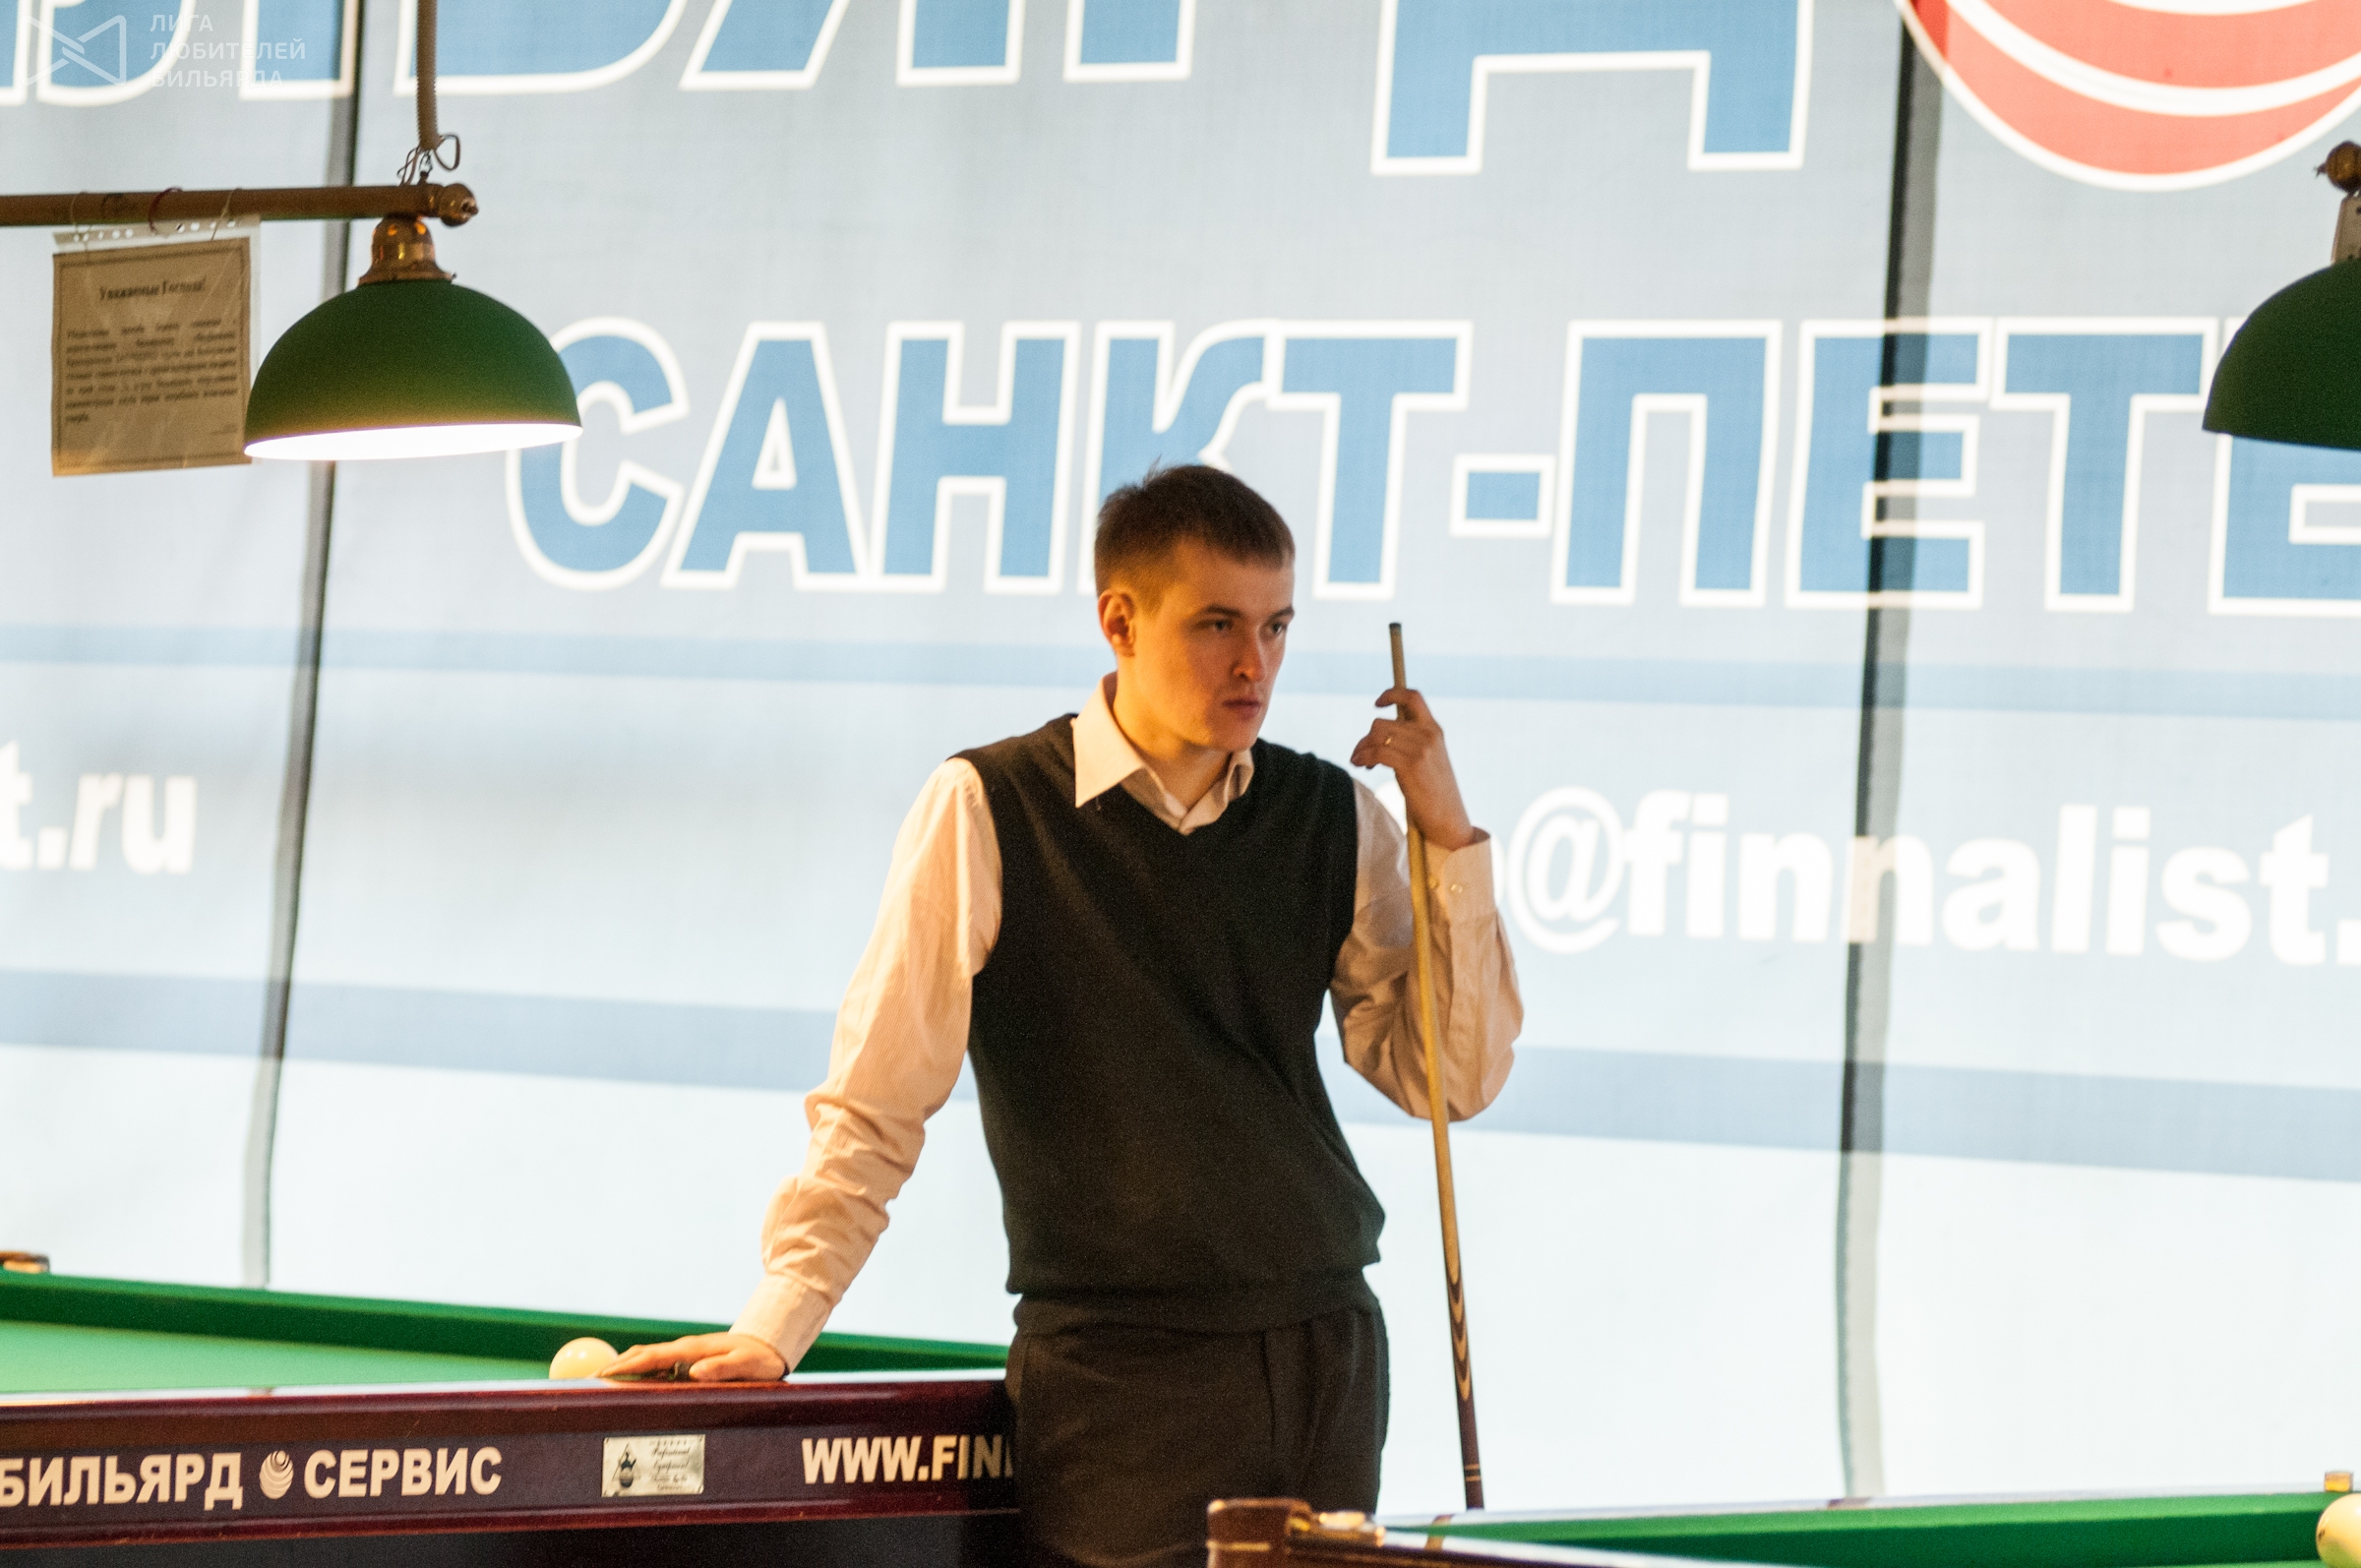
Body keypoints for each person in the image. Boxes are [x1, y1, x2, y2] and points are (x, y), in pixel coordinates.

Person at [608, 464, 1522, 1567]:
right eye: (1218, 624)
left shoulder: (1334, 814)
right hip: (1116, 1373)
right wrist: (776, 1323)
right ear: (1120, 622)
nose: (1255, 664)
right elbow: (876, 1102)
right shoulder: (988, 807)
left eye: (1277, 626)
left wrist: (1446, 833)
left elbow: (1450, 1080)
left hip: (1329, 1349)